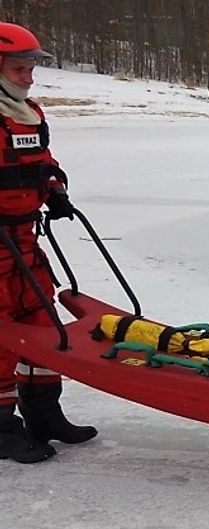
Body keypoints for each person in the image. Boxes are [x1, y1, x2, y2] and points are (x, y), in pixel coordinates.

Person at [0, 22, 96, 464]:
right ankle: (1, 429)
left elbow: (42, 160)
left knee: (43, 326)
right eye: (19, 69)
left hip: (24, 240)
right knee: (2, 339)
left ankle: (43, 414)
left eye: (30, 69)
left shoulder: (30, 114)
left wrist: (54, 187)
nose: (28, 78)